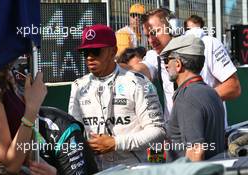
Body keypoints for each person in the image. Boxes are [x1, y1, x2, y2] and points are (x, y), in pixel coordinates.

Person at [68, 24, 166, 170]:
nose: (89, 57)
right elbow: (74, 134)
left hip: (135, 170)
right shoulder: (78, 86)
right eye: (85, 52)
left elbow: (158, 132)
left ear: (113, 51)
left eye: (95, 51)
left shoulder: (138, 82)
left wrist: (116, 143)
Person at [160, 34, 225, 162]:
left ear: (178, 64)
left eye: (167, 60)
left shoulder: (187, 98)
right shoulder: (211, 92)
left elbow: (196, 152)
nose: (166, 65)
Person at [0, 62, 48, 173]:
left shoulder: (6, 79)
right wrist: (32, 109)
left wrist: (48, 170)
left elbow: (23, 146)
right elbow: (11, 164)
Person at [184, 15, 241, 127]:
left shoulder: (211, 43)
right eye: (190, 30)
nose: (194, 33)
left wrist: (198, 101)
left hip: (210, 127)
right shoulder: (161, 51)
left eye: (197, 29)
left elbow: (234, 87)